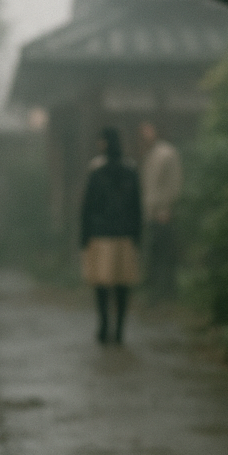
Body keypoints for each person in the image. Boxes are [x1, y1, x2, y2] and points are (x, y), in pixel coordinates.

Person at [80, 127, 142, 344]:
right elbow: (136, 206)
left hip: (101, 234)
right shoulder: (130, 169)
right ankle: (119, 330)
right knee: (123, 284)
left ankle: (104, 325)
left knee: (102, 283)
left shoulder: (96, 170)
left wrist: (84, 235)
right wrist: (137, 234)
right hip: (124, 234)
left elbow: (88, 206)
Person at [138, 120, 183, 302]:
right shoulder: (149, 155)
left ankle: (166, 292)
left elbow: (174, 183)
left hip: (163, 212)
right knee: (154, 253)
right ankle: (156, 292)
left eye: (149, 130)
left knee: (165, 253)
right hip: (151, 212)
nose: (145, 135)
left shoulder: (167, 153)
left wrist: (167, 208)